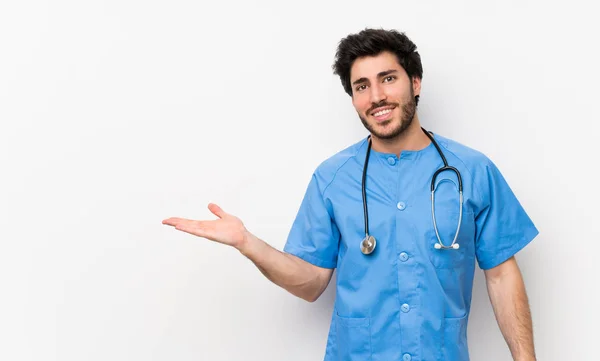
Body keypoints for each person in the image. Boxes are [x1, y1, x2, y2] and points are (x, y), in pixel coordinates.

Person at [162, 28, 539, 361]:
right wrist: (248, 243)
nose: (376, 96)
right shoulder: (332, 178)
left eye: (388, 78)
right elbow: (311, 282)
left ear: (416, 82)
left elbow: (502, 274)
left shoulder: (471, 171)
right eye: (362, 86)